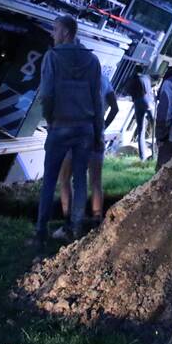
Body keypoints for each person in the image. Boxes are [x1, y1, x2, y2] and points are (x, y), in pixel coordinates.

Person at [33, 14, 104, 243]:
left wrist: (49, 118)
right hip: (85, 128)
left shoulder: (52, 57)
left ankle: (41, 232)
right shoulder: (92, 61)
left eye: (55, 30)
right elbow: (97, 99)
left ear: (66, 32)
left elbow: (46, 94)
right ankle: (75, 228)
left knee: (50, 181)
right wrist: (99, 132)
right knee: (81, 179)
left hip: (61, 126)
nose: (52, 35)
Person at [57, 73, 118, 233]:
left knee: (65, 179)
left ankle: (69, 223)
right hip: (96, 135)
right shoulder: (104, 79)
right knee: (95, 182)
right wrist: (103, 125)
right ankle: (97, 223)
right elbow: (115, 108)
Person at [127, 68, 156, 160]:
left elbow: (129, 91)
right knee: (156, 128)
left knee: (141, 130)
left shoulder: (132, 79)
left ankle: (142, 157)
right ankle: (156, 153)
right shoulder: (147, 77)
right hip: (150, 103)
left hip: (138, 103)